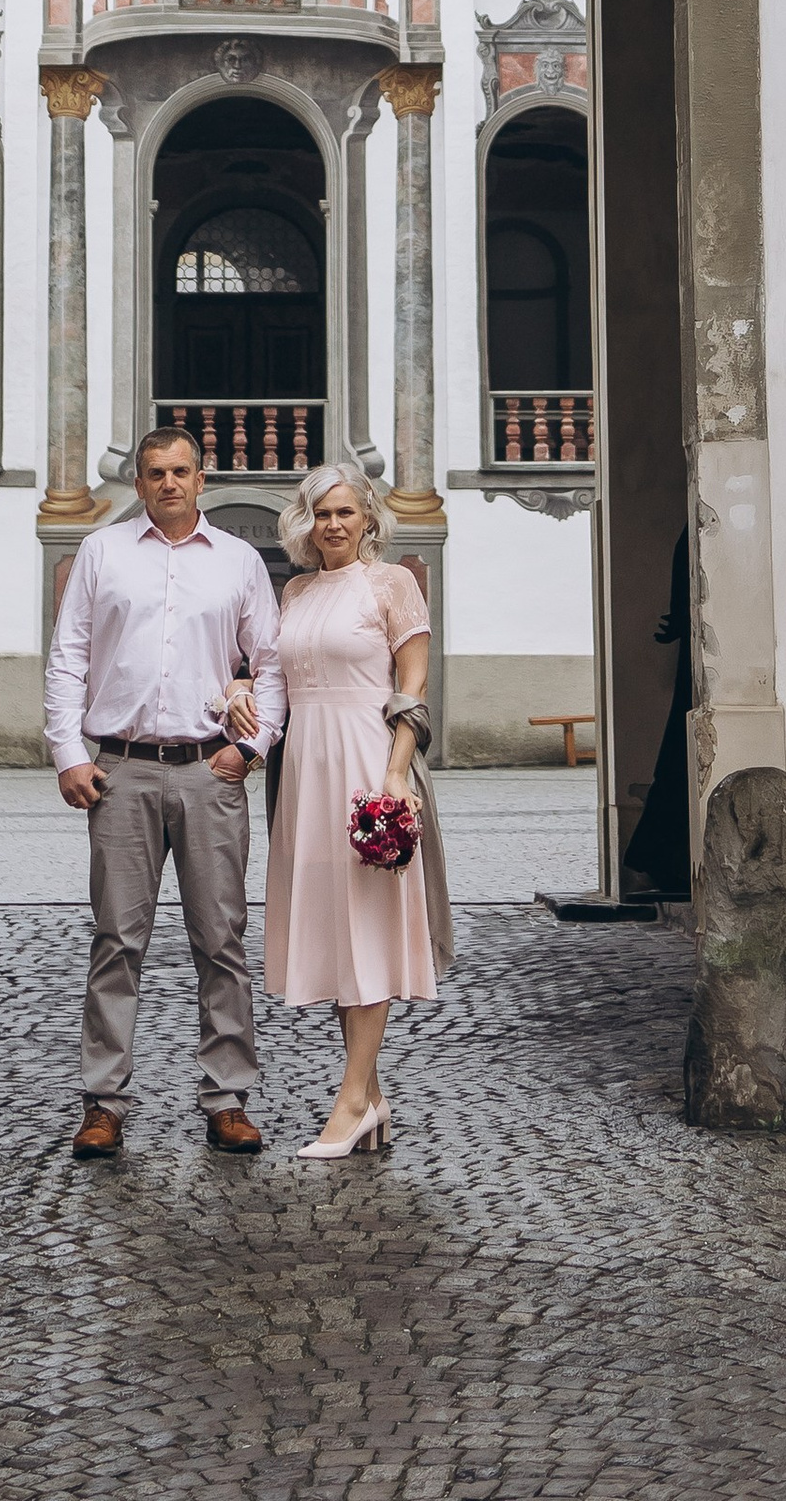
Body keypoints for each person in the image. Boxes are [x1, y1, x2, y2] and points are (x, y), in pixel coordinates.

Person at [43, 425, 285, 1161]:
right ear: (140, 481)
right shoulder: (102, 552)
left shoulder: (241, 562)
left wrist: (251, 748)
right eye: (155, 473)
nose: (169, 483)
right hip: (120, 770)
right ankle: (103, 1102)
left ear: (201, 478)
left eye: (181, 471)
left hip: (210, 770)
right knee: (117, 940)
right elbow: (68, 656)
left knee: (222, 939)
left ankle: (228, 1098)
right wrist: (66, 754)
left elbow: (271, 665)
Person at [233, 462, 450, 1159]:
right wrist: (237, 693)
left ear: (368, 519)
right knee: (334, 931)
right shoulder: (293, 590)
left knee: (370, 929)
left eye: (345, 513)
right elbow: (277, 681)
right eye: (321, 514)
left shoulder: (392, 583)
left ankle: (352, 1101)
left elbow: (413, 689)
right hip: (304, 770)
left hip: (366, 760)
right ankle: (374, 1097)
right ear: (305, 522)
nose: (332, 524)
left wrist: (393, 775)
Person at [621, 527, 693, 902]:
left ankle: (658, 860)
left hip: (691, 655)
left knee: (677, 760)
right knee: (677, 761)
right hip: (692, 656)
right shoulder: (691, 532)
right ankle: (659, 860)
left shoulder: (689, 533)